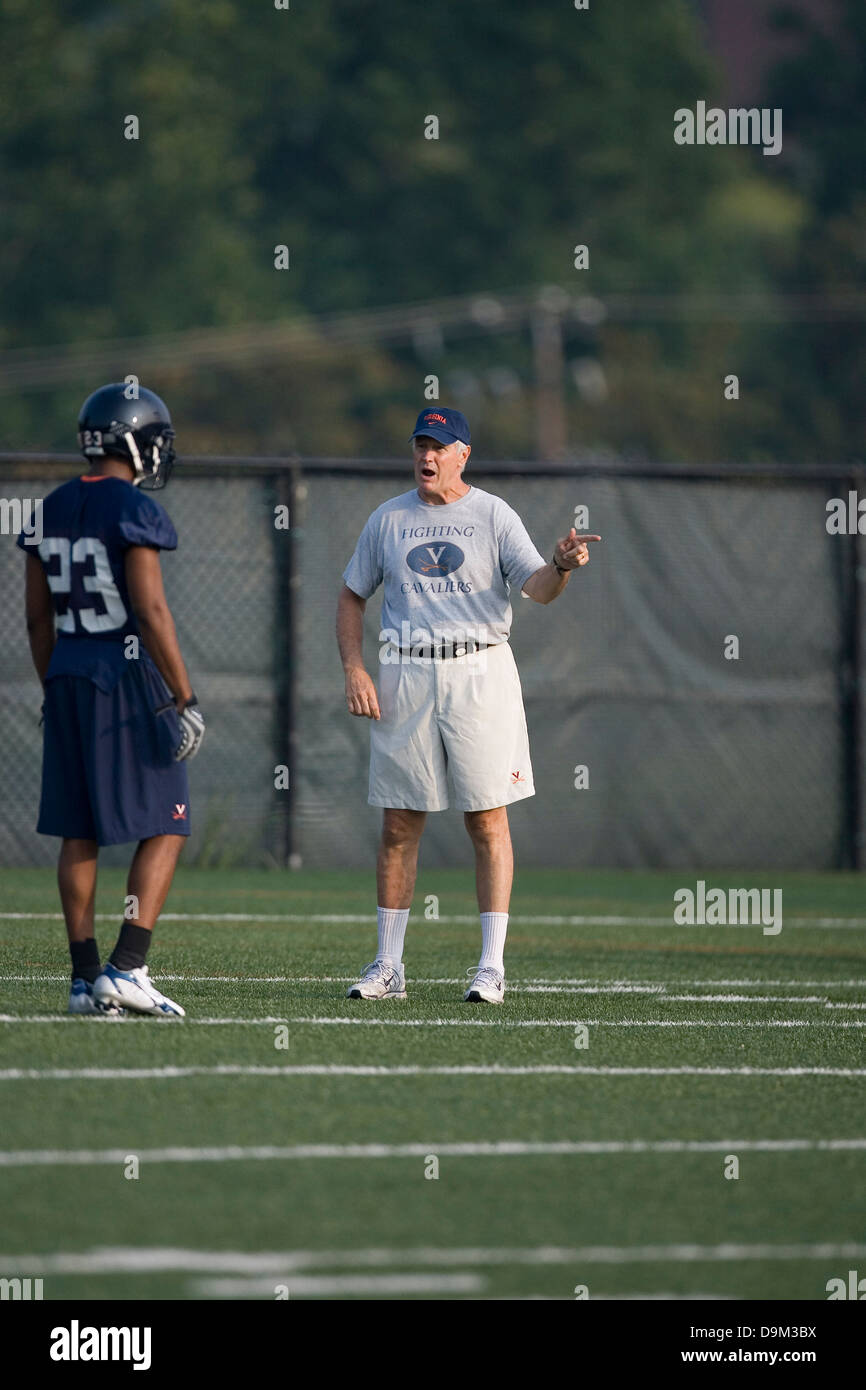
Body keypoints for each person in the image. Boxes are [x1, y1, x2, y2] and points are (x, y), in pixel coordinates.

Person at [337, 406, 599, 1003]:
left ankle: (491, 967)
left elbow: (537, 588)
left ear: (463, 454)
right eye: (420, 444)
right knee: (399, 823)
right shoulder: (388, 519)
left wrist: (561, 565)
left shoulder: (492, 514)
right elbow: (350, 596)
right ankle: (389, 966)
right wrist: (355, 669)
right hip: (405, 669)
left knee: (486, 819)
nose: (427, 456)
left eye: (439, 445)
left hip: (479, 670)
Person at [18, 383, 205, 1018]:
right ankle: (127, 968)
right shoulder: (130, 506)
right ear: (130, 441)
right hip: (122, 673)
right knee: (170, 816)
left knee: (80, 828)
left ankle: (82, 980)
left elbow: (36, 623)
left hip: (67, 668)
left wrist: (53, 685)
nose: (158, 453)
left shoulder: (46, 506)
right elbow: (150, 609)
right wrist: (184, 695)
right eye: (152, 441)